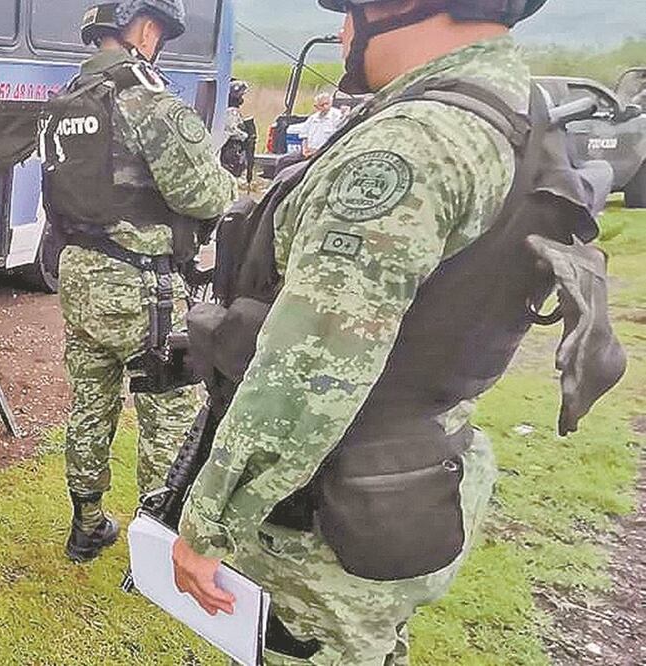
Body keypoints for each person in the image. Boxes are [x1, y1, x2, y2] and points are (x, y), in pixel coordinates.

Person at [171, 0, 567, 663]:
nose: (345, 31)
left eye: (351, 10)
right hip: (414, 471)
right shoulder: (515, 112)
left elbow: (308, 371)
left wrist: (206, 527)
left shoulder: (407, 146)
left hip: (331, 507)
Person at [40, 0, 235, 562]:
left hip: (79, 277)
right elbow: (205, 194)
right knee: (167, 412)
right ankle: (156, 548)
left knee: (89, 405)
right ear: (147, 29)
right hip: (141, 286)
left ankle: (87, 525)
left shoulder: (63, 102)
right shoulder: (148, 100)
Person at [298, 91, 345, 157]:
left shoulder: (337, 116)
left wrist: (317, 152)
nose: (325, 107)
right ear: (316, 106)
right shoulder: (312, 118)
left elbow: (338, 139)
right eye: (322, 105)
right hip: (308, 153)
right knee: (283, 160)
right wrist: (304, 150)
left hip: (325, 154)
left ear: (331, 103)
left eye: (327, 104)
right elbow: (304, 136)